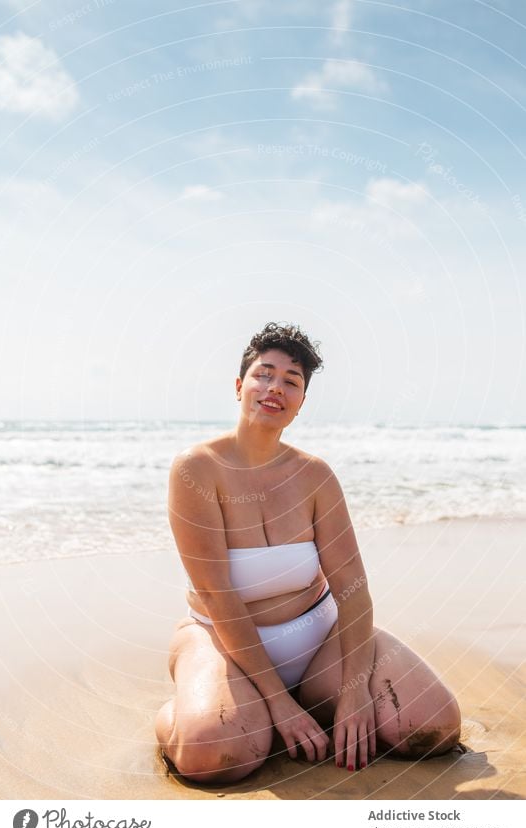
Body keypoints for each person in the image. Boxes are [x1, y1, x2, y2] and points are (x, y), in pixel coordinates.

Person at [155, 322, 461, 784]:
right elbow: (217, 595)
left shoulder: (315, 478)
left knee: (432, 728)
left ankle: (294, 707)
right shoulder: (196, 469)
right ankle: (198, 705)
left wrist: (354, 693)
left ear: (300, 403)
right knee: (213, 755)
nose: (275, 387)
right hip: (224, 642)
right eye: (264, 374)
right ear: (240, 386)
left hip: (318, 642)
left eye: (292, 381)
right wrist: (278, 703)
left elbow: (353, 591)